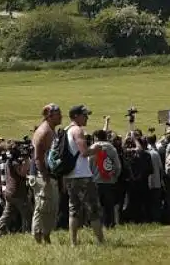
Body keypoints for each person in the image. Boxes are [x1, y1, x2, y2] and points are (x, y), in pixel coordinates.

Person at [64, 104, 104, 246]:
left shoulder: (65, 130)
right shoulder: (78, 130)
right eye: (85, 115)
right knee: (93, 208)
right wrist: (96, 149)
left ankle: (73, 242)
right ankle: (100, 241)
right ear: (76, 116)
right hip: (82, 175)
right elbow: (84, 152)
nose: (87, 117)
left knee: (73, 209)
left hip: (69, 175)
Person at [31, 103, 62, 244]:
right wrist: (44, 175)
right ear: (50, 116)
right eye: (58, 114)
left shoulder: (51, 130)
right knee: (42, 206)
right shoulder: (43, 131)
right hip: (43, 175)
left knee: (51, 207)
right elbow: (37, 157)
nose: (61, 116)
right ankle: (38, 234)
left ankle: (46, 233)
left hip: (51, 174)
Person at [0, 141, 32, 236]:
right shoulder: (14, 162)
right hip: (17, 192)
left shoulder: (8, 160)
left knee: (7, 214)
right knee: (27, 213)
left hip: (9, 192)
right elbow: (22, 173)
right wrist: (26, 158)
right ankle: (27, 232)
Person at [89, 129, 121, 228]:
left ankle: (96, 225)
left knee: (96, 205)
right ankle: (109, 224)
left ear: (96, 138)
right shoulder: (112, 148)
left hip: (95, 181)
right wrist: (115, 177)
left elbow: (88, 166)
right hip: (109, 181)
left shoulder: (92, 148)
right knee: (109, 206)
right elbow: (118, 166)